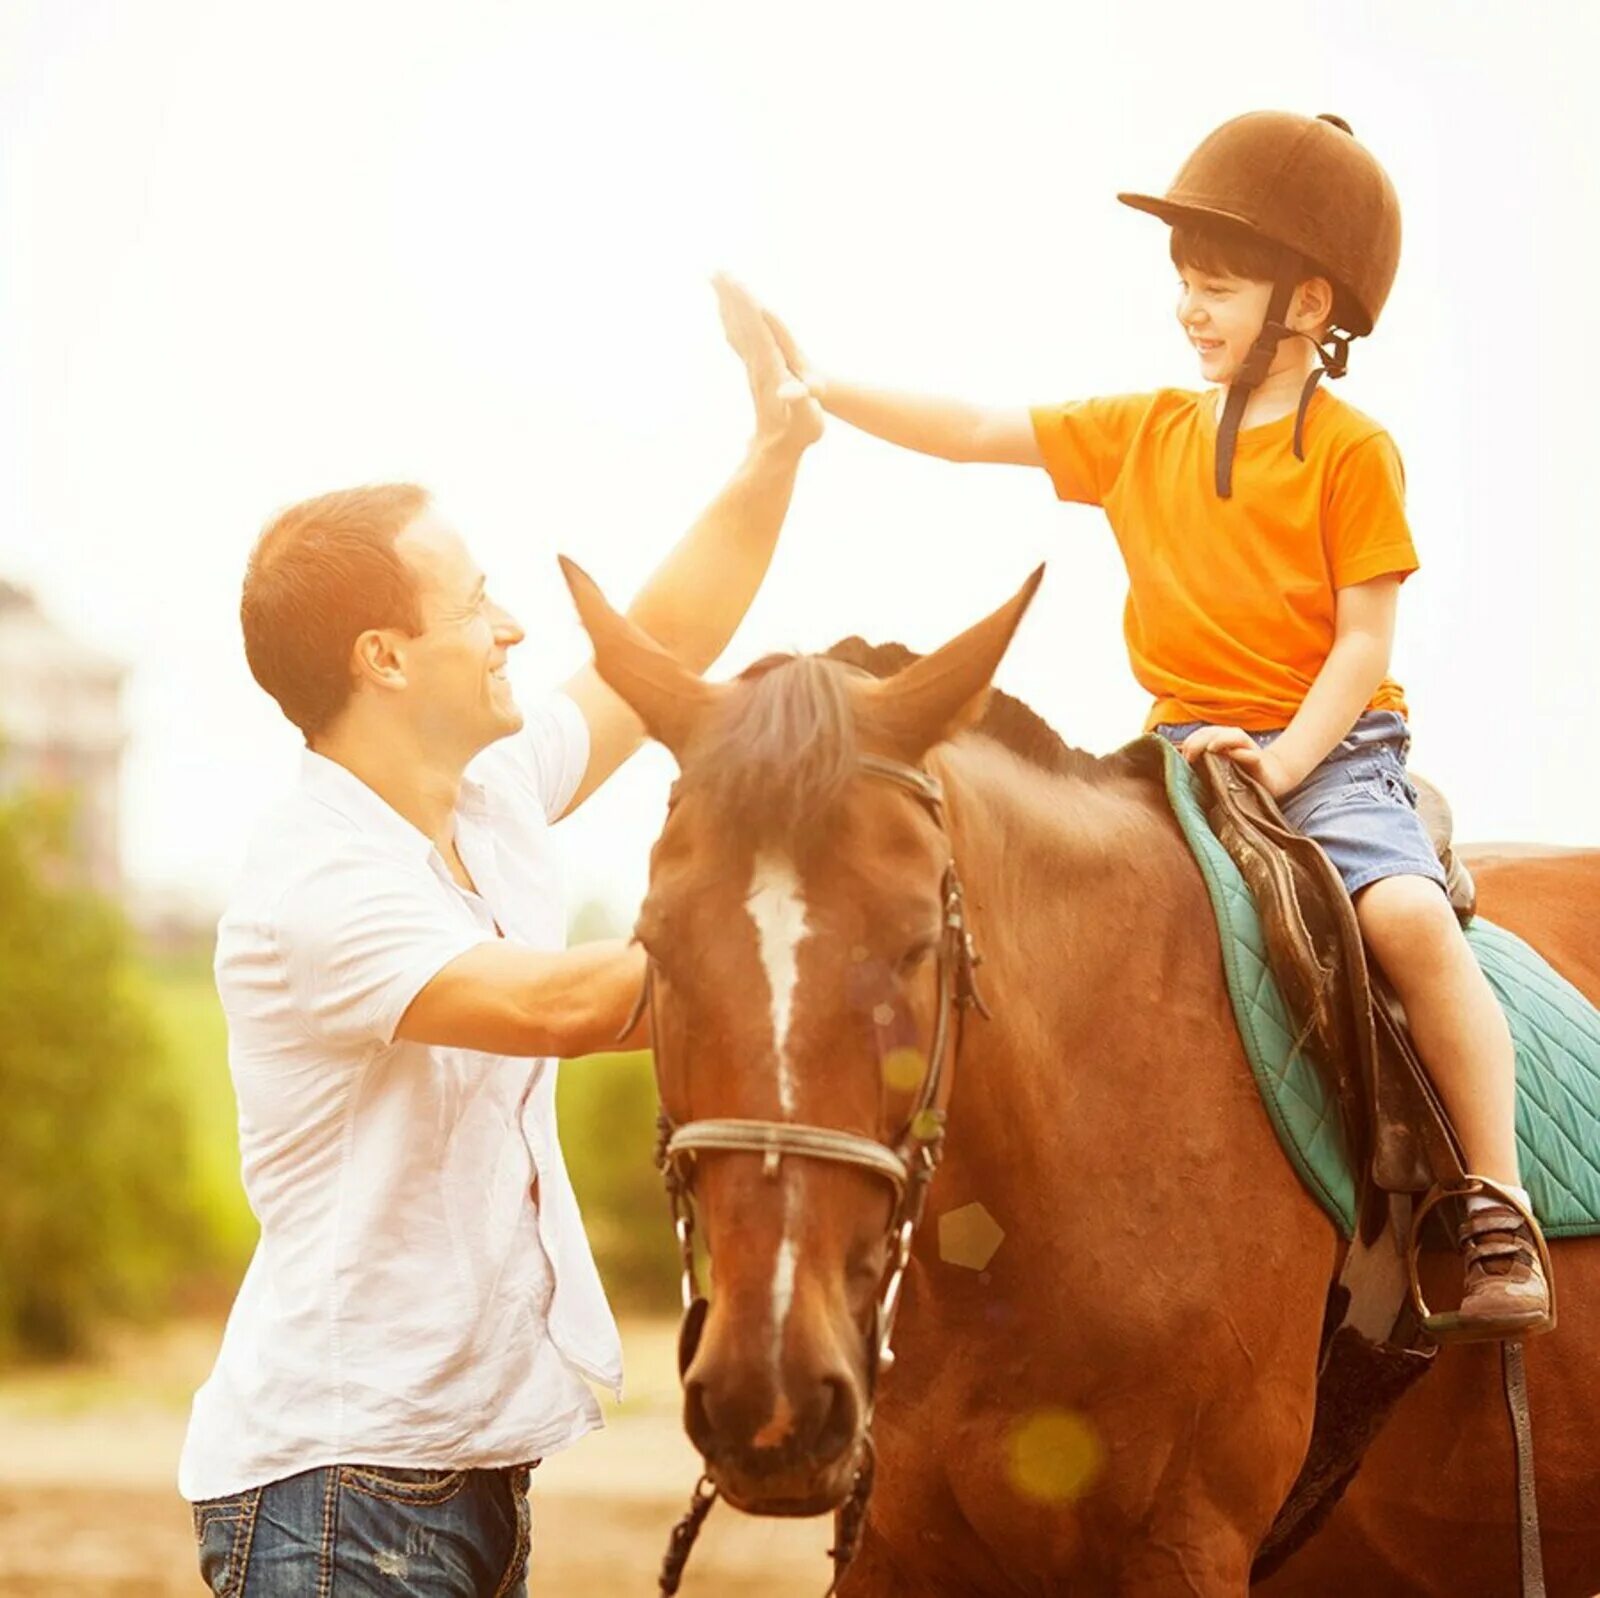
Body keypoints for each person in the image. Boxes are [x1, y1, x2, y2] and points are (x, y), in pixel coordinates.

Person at [726, 111, 1551, 1342]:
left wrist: (1279, 761)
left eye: (1216, 287)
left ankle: (1496, 1205)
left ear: (1309, 302)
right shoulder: (1144, 430)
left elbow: (1361, 644)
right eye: (1183, 286)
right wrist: (817, 387)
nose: (1188, 309)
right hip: (1177, 749)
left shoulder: (1351, 452)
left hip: (1323, 753)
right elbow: (970, 430)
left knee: (1409, 919)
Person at [179, 278, 823, 1595]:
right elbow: (556, 1006)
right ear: (385, 657)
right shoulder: (315, 884)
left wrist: (774, 456)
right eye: (477, 602)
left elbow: (669, 644)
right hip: (335, 1489)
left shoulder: (494, 790)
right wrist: (804, 944)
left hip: (461, 1472)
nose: (515, 624)